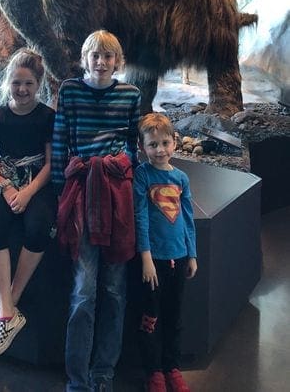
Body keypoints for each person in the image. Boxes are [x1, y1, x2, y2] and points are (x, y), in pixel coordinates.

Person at [52, 29, 141, 392]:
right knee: (84, 290)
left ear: (117, 62)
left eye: (108, 57)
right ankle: (77, 379)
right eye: (95, 56)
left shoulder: (130, 94)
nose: (101, 63)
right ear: (84, 60)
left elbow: (134, 144)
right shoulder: (69, 90)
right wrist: (63, 187)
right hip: (81, 193)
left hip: (115, 192)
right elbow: (60, 138)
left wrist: (119, 166)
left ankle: (104, 371)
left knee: (115, 290)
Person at [0, 49, 56, 359]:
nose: (22, 90)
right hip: (8, 181)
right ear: (7, 83)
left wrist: (28, 192)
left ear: (38, 83)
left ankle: (7, 309)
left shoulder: (48, 117)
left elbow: (51, 164)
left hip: (37, 183)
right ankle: (7, 311)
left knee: (38, 226)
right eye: (16, 83)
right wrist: (7, 187)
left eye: (28, 83)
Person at [133, 113, 197, 392]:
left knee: (174, 315)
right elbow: (141, 216)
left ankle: (172, 366)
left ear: (175, 143)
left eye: (164, 143)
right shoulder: (143, 175)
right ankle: (153, 370)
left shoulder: (181, 178)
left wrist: (192, 254)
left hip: (179, 256)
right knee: (151, 317)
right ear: (142, 147)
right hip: (154, 261)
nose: (159, 150)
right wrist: (145, 256)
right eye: (152, 145)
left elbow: (187, 218)